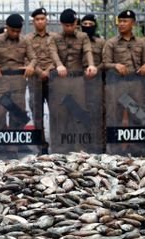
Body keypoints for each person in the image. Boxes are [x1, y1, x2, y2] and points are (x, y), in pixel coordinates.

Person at [0, 13, 36, 158]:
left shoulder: (25, 41)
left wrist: (31, 66)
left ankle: (12, 149)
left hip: (18, 81)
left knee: (18, 114)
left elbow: (33, 58)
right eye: (13, 30)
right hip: (1, 80)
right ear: (7, 28)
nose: (15, 33)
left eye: (18, 31)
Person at [102, 10, 145, 156]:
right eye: (120, 21)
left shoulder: (141, 43)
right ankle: (114, 150)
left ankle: (137, 150)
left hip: (136, 84)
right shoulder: (111, 42)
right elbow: (105, 63)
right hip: (117, 84)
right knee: (114, 116)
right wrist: (115, 65)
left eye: (125, 21)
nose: (121, 24)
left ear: (133, 23)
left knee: (138, 115)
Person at [49, 9, 98, 153]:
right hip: (61, 80)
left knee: (79, 112)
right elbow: (53, 53)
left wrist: (91, 64)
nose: (69, 28)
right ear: (61, 24)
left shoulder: (83, 37)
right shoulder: (54, 38)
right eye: (66, 25)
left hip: (77, 80)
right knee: (61, 112)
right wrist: (59, 65)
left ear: (76, 23)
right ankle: (60, 147)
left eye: (71, 25)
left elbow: (88, 51)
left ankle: (80, 146)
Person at [25, 8, 60, 153]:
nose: (40, 21)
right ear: (33, 21)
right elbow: (26, 57)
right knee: (37, 113)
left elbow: (59, 56)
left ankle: (57, 143)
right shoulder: (27, 39)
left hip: (53, 79)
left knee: (56, 111)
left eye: (42, 19)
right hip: (35, 79)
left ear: (47, 20)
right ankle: (41, 145)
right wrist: (40, 71)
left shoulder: (55, 37)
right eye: (37, 19)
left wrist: (48, 70)